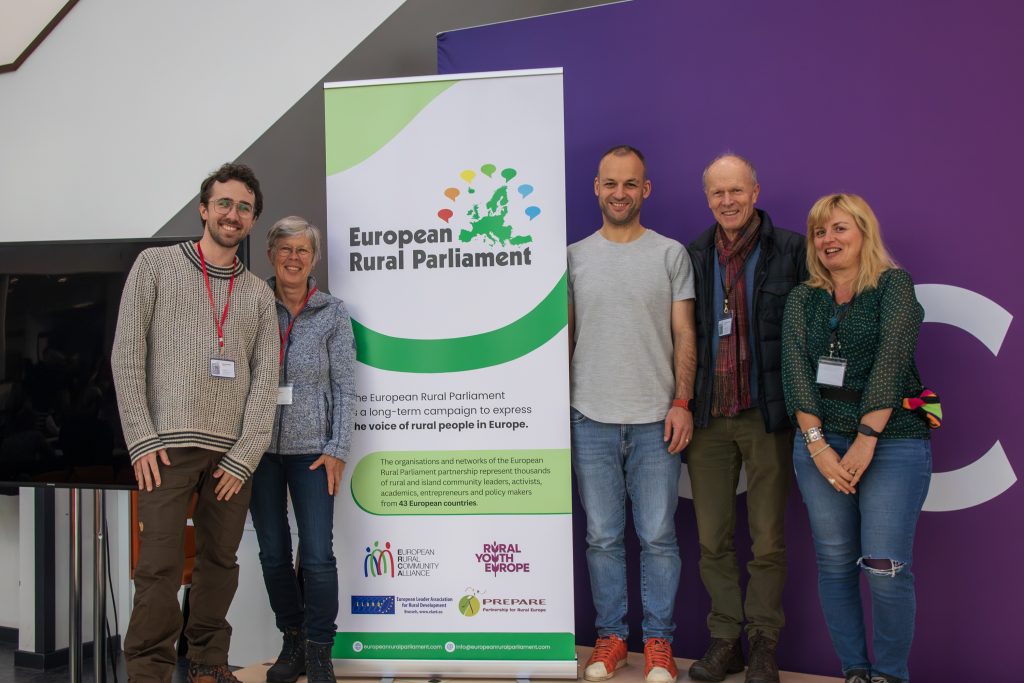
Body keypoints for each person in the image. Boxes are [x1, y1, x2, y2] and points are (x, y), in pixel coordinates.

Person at [112, 163, 279, 683]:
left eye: (244, 208)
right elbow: (126, 356)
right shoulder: (154, 267)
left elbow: (265, 381)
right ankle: (148, 674)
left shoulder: (256, 294)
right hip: (165, 449)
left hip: (231, 458)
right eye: (224, 204)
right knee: (158, 570)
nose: (233, 214)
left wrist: (245, 454)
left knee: (219, 566)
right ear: (204, 209)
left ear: (252, 221)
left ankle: (208, 664)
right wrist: (141, 439)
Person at [781, 193, 932, 683]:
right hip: (821, 445)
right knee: (835, 564)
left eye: (840, 228)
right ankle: (855, 670)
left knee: (886, 567)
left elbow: (891, 363)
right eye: (820, 232)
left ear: (864, 232)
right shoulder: (804, 297)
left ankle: (889, 674)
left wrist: (866, 439)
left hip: (891, 443)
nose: (829, 240)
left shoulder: (893, 286)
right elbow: (795, 374)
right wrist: (818, 445)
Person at [568, 145, 696, 683]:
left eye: (631, 184)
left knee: (658, 536)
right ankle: (613, 637)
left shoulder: (671, 255)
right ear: (596, 188)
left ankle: (660, 643)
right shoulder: (572, 256)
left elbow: (684, 334)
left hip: (654, 419)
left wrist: (682, 402)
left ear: (647, 190)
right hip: (588, 416)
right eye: (610, 183)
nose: (619, 193)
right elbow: (565, 336)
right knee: (601, 536)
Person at [685, 154, 808, 683]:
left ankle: (762, 643)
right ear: (707, 197)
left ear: (755, 191)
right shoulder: (691, 255)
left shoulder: (793, 252)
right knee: (712, 537)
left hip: (766, 416)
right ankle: (724, 640)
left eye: (736, 191)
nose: (728, 201)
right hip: (709, 417)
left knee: (767, 538)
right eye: (718, 193)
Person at [249, 217, 356, 683]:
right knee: (273, 552)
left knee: (316, 555)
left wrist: (337, 447)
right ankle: (291, 642)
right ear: (271, 254)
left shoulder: (332, 312)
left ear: (314, 259)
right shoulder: (251, 304)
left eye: (303, 251)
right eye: (285, 249)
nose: (294, 258)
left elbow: (347, 387)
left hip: (314, 452)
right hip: (257, 452)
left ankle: (318, 650)